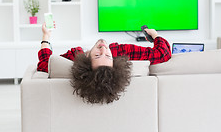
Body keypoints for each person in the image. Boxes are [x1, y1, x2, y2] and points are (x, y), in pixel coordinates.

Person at [37, 22, 171, 104]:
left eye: (97, 55)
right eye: (108, 56)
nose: (104, 48)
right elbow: (162, 54)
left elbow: (45, 64)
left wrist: (46, 36)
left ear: (86, 61)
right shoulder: (120, 52)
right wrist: (155, 35)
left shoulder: (75, 55)